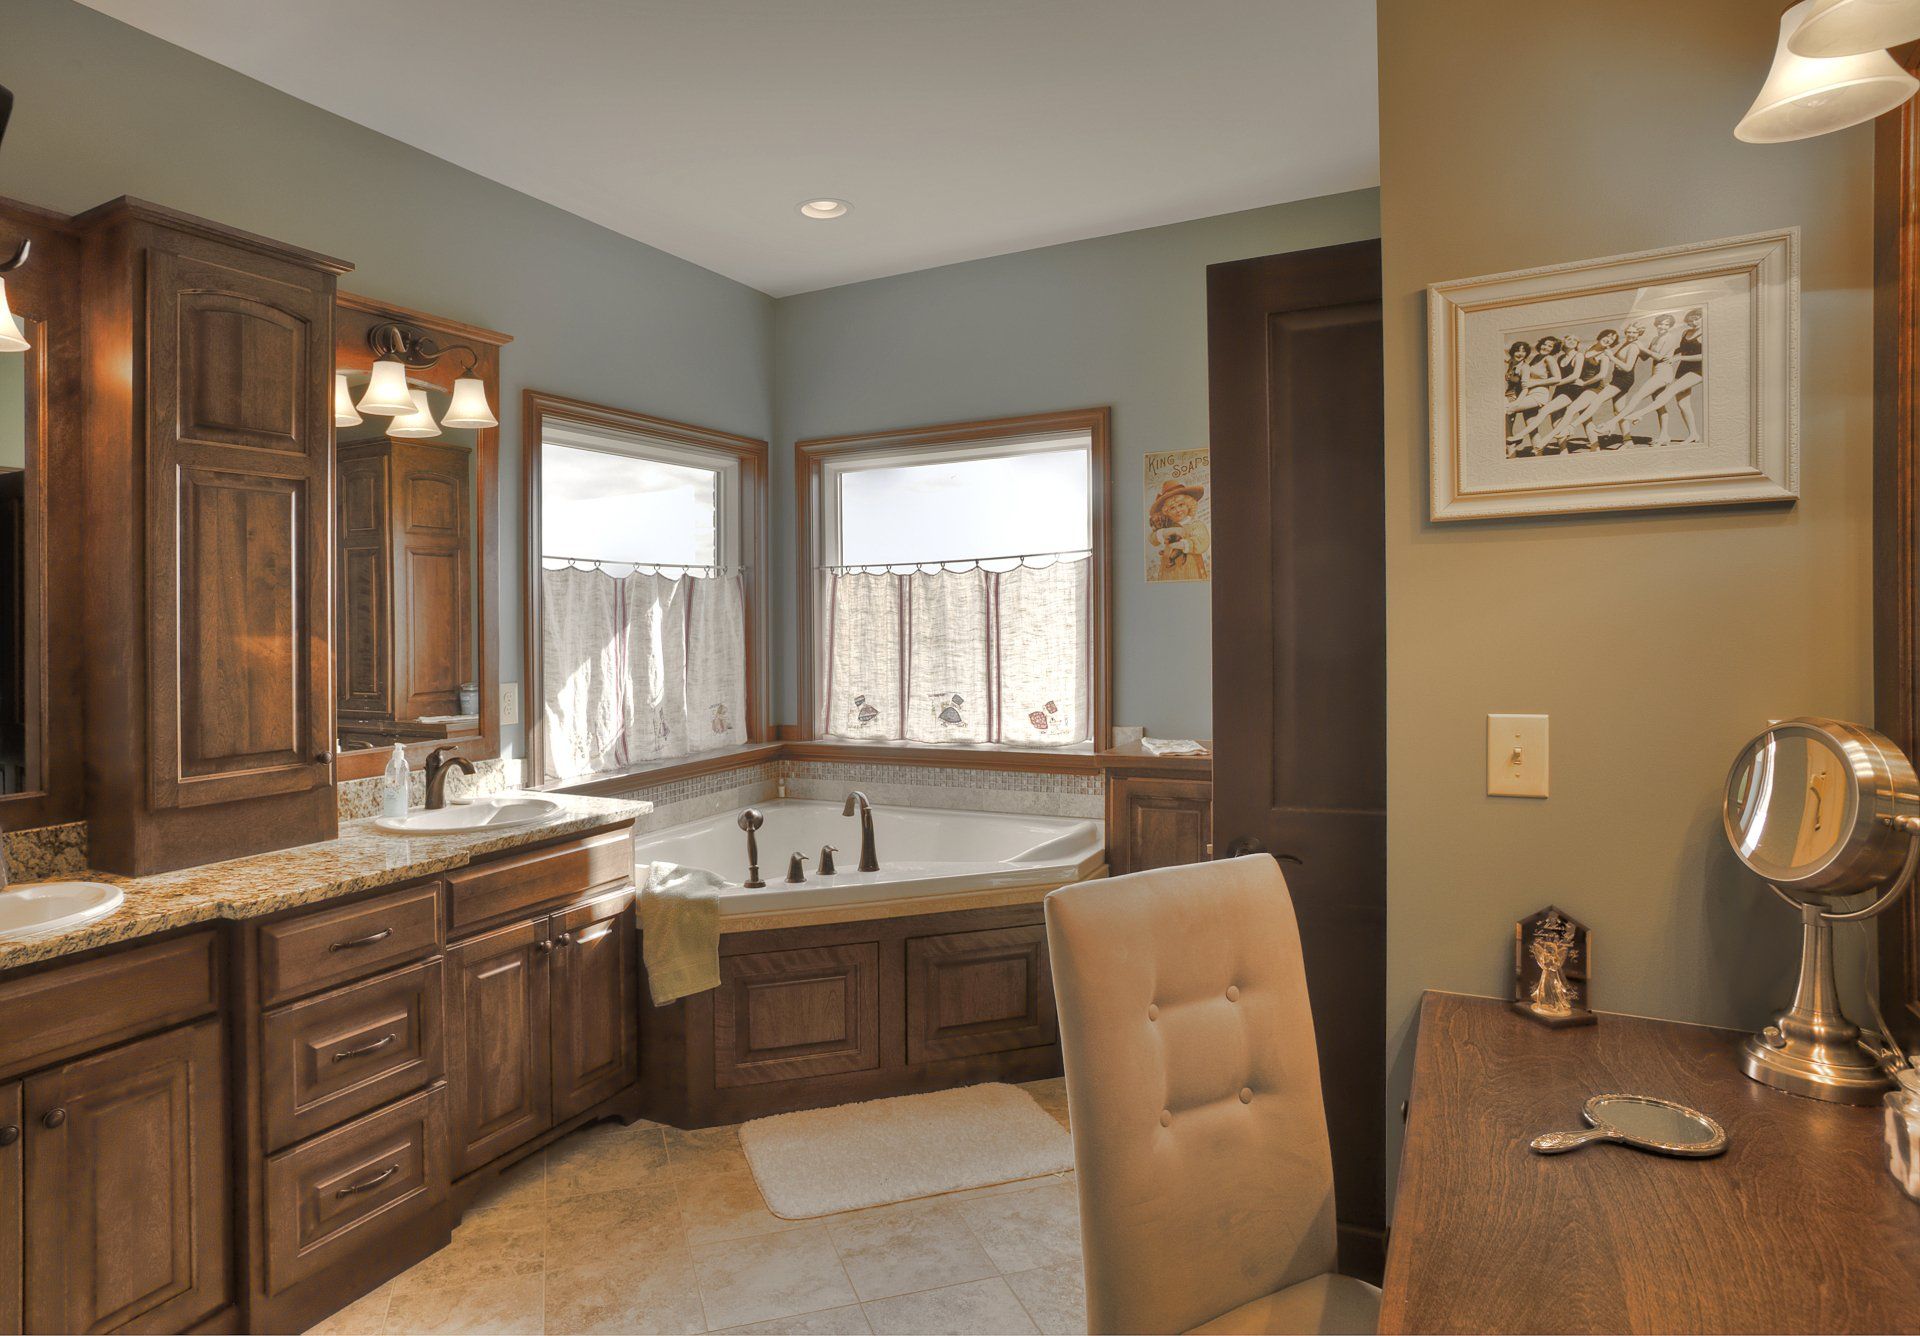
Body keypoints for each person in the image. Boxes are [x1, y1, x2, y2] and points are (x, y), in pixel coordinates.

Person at [1148, 479, 1210, 580]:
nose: (1178, 510)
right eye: (1172, 508)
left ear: (1188, 505)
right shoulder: (1166, 527)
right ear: (1166, 512)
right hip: (1168, 572)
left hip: (1191, 567)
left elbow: (1203, 543)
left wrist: (1180, 544)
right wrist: (1167, 531)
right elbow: (1152, 539)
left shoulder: (1195, 524)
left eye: (1181, 505)